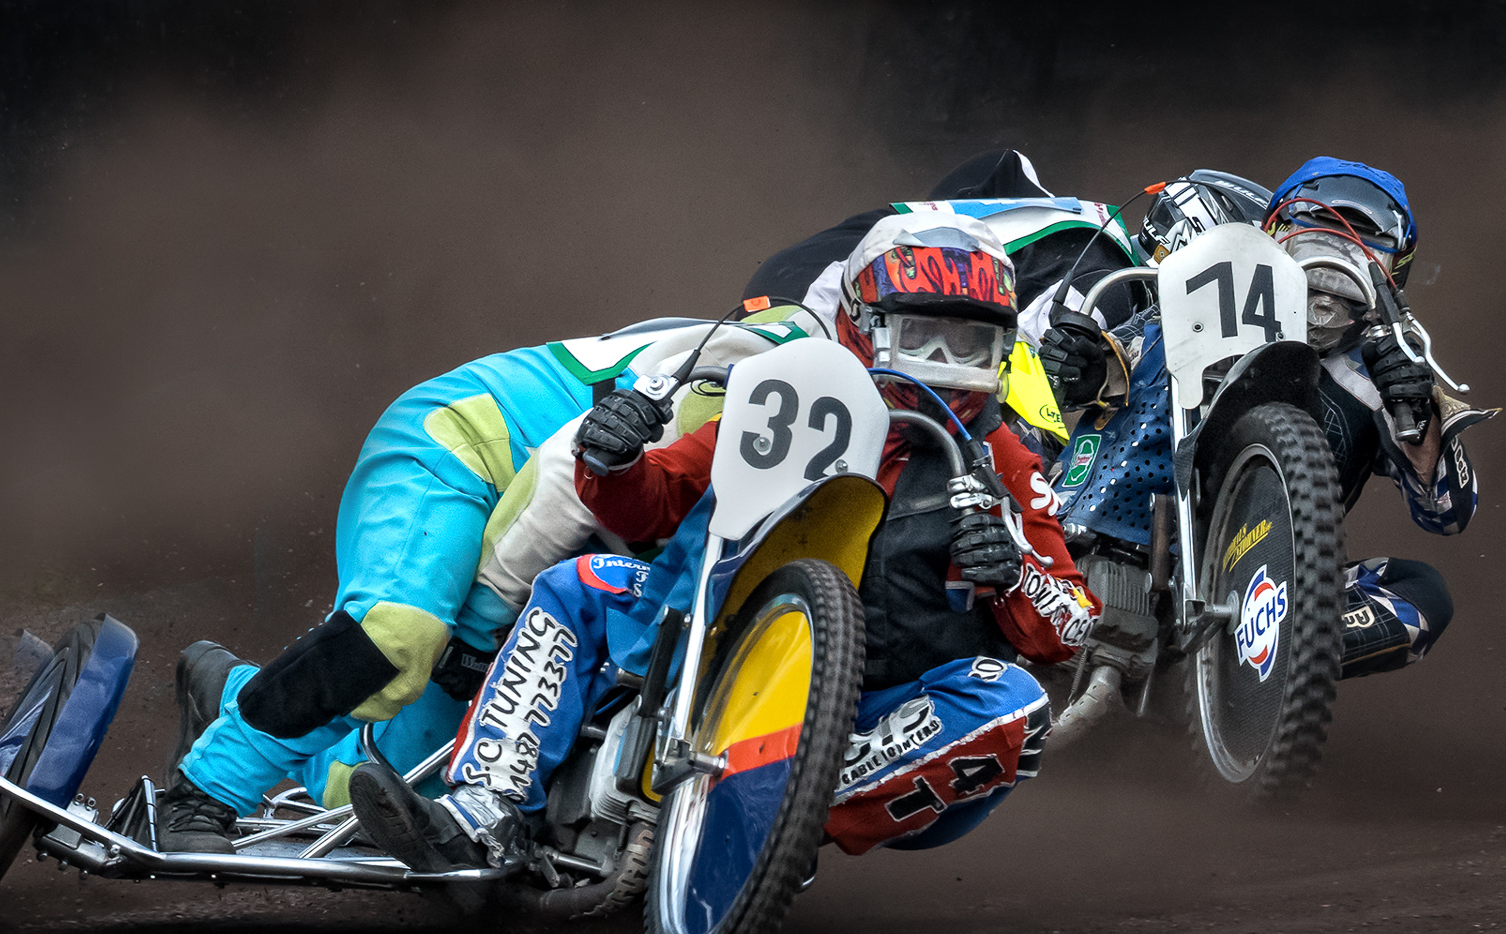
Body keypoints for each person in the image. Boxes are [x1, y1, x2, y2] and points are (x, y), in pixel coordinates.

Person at [347, 210, 1104, 870]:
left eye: (968, 345)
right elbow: (657, 501)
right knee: (583, 582)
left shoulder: (1004, 458)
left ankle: (781, 801)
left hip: (874, 707)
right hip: (702, 640)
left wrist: (1014, 573)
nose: (944, 368)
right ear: (861, 324)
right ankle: (484, 810)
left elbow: (1070, 623)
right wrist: (612, 459)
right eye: (922, 337)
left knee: (1010, 702)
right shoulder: (786, 400)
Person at [154, 309, 831, 852]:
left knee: (398, 781)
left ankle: (231, 693)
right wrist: (478, 632)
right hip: (464, 444)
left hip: (559, 525)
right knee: (398, 639)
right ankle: (202, 792)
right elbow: (564, 478)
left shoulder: (856, 403)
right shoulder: (761, 376)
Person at [1037, 157, 1496, 679]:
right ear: (1275, 239)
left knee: (1422, 594)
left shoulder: (1388, 371)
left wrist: (1415, 406)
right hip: (1094, 543)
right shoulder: (1195, 305)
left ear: (1392, 276)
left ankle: (1261, 667)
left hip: (1253, 593)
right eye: (1315, 243)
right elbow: (1079, 379)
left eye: (1358, 255)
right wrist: (1081, 360)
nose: (1330, 279)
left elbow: (1448, 512)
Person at [746, 149, 1149, 463]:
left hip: (796, 284)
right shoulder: (1113, 272)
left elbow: (1001, 165)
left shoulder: (1041, 210)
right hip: (814, 298)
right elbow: (1034, 365)